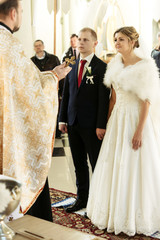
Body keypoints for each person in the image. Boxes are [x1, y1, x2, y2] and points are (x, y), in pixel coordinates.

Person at [0, 0, 71, 222]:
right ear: (13, 13)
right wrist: (54, 77)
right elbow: (31, 91)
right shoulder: (9, 45)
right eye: (21, 11)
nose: (21, 15)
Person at [86, 26, 160, 236]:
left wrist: (138, 131)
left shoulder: (145, 65)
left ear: (132, 41)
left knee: (134, 164)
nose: (117, 43)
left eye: (121, 40)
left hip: (136, 119)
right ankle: (112, 212)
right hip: (118, 119)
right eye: (115, 39)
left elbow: (147, 101)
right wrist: (107, 123)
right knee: (114, 163)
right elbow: (113, 98)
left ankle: (135, 215)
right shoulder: (114, 64)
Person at [59, 27, 110, 213]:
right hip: (73, 123)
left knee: (96, 164)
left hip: (91, 125)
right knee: (79, 164)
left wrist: (100, 125)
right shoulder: (71, 64)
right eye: (79, 39)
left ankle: (98, 204)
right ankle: (82, 199)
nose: (81, 42)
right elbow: (67, 93)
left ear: (95, 43)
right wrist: (62, 118)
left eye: (85, 40)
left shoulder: (101, 67)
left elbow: (103, 100)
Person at [31, 40, 63, 138]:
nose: (38, 47)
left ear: (43, 46)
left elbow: (60, 74)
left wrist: (61, 91)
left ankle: (56, 132)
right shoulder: (31, 61)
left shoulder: (53, 59)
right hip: (39, 91)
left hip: (53, 90)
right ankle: (44, 133)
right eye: (36, 46)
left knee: (54, 110)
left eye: (40, 45)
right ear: (34, 48)